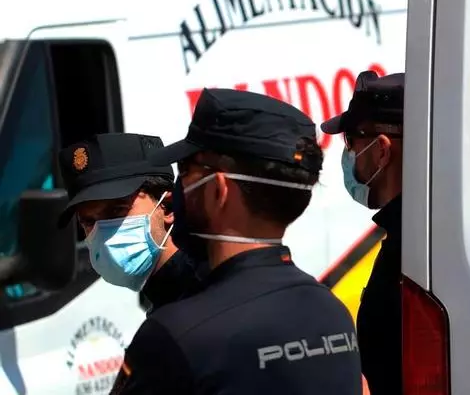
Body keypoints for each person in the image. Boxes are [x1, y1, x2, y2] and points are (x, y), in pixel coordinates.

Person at [109, 88, 362, 395]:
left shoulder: (174, 336)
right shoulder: (333, 314)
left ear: (218, 190)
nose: (178, 188)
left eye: (186, 171)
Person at [321, 70, 404, 395]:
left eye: (350, 141)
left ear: (382, 150)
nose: (348, 155)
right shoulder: (424, 232)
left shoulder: (408, 254)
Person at [57, 133, 202, 311]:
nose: (103, 235)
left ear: (168, 207)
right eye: (88, 221)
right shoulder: (170, 299)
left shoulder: (203, 297)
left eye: (117, 210)